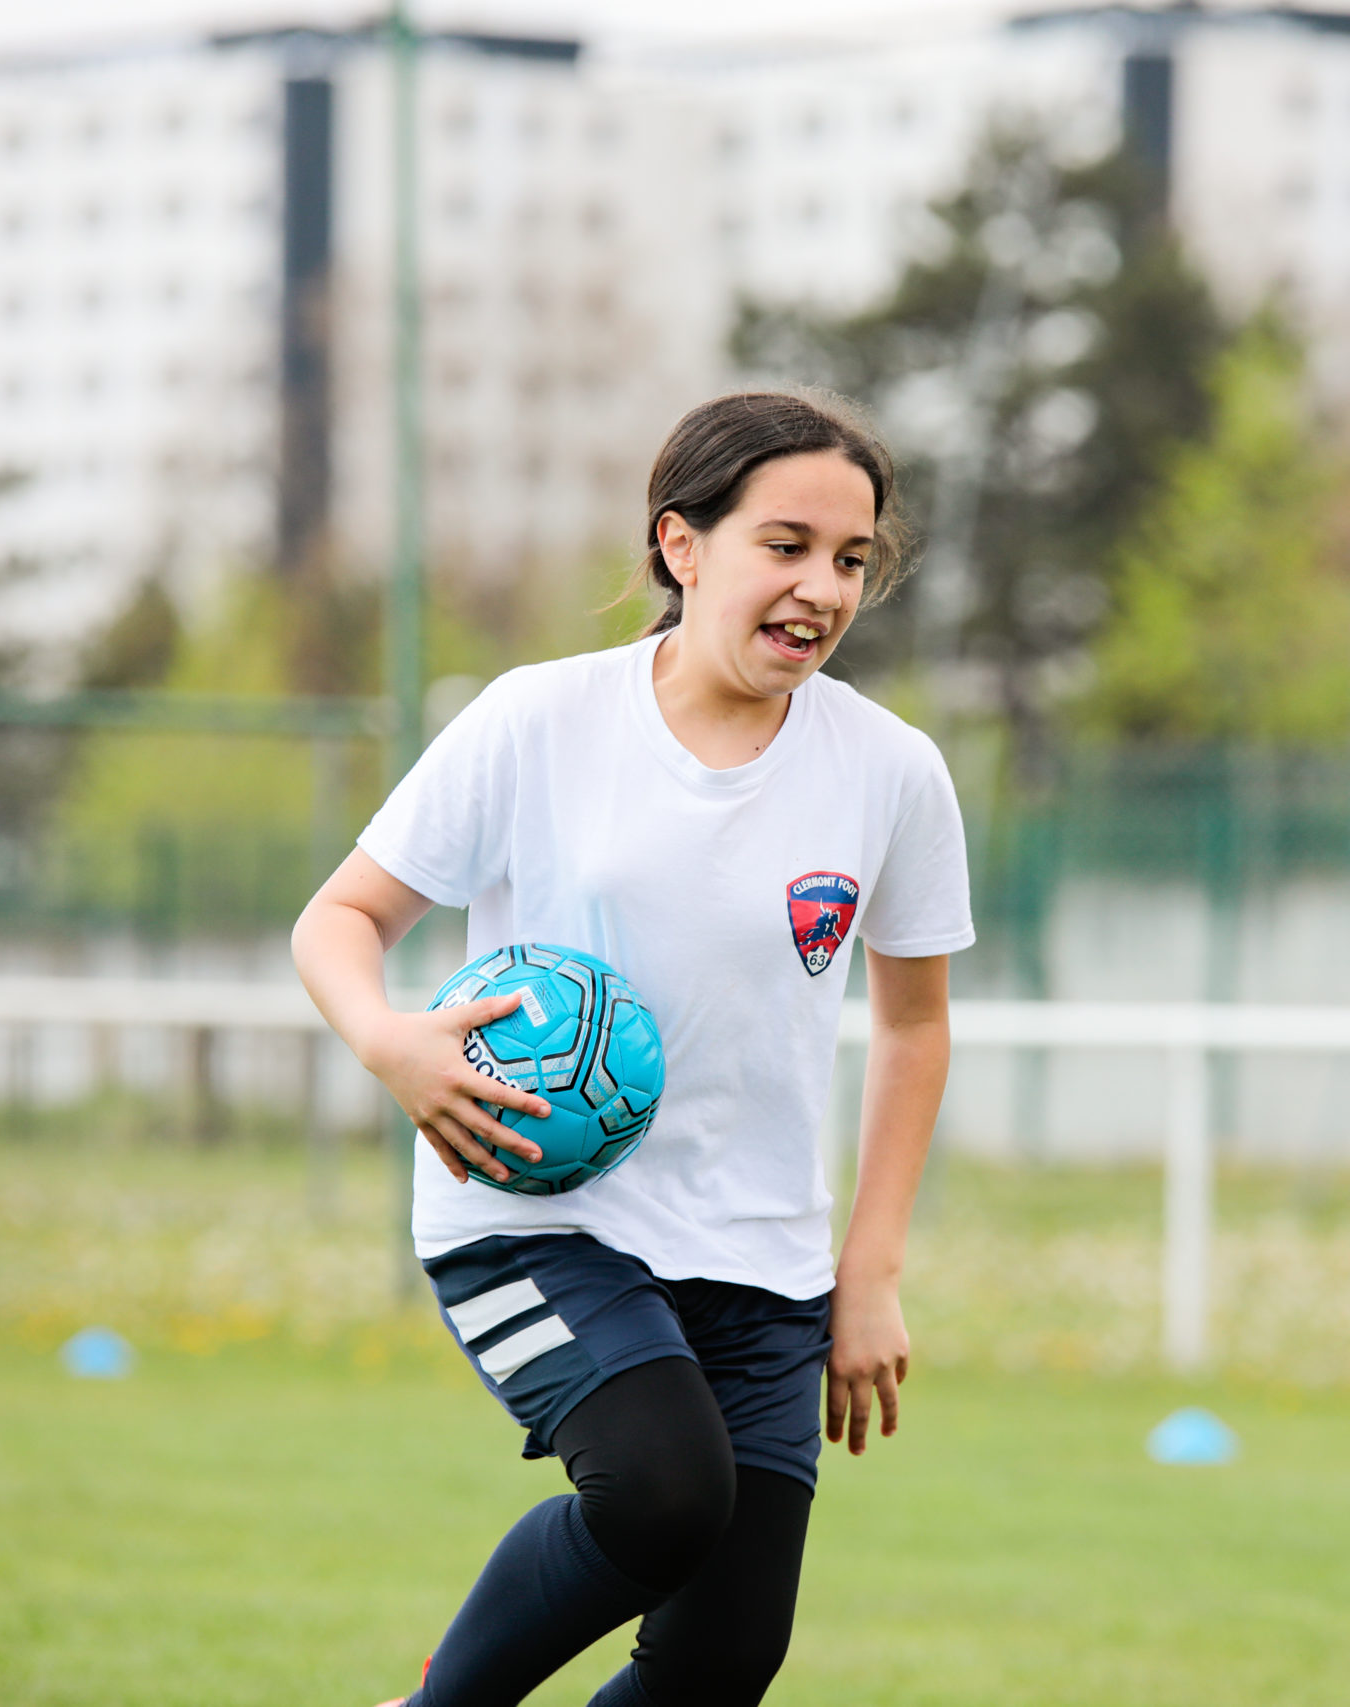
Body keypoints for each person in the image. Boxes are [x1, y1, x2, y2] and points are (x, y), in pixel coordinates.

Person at [292, 389, 974, 1707]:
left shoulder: (891, 771)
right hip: (533, 1218)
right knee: (664, 1498)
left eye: (850, 560)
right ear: (683, 545)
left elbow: (914, 1023)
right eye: (785, 545)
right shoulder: (537, 721)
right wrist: (392, 1044)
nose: (821, 590)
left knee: (723, 1661)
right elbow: (341, 920)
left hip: (764, 1251)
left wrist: (869, 1270)